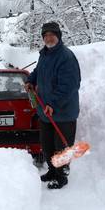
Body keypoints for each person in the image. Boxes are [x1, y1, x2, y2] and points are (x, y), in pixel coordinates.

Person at [25, 22, 81, 189]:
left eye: (52, 35)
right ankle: (52, 171)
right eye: (46, 35)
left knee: (61, 148)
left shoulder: (66, 57)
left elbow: (69, 86)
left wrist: (53, 103)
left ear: (58, 36)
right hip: (46, 112)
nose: (49, 38)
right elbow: (38, 71)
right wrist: (30, 80)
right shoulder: (45, 54)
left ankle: (61, 177)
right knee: (47, 145)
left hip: (63, 113)